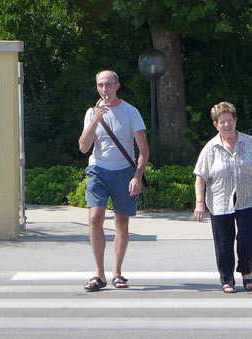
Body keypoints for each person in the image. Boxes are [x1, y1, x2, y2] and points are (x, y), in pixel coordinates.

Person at [77, 70, 148, 292]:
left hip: (123, 172)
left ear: (117, 85)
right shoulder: (92, 113)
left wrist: (137, 176)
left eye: (108, 84)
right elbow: (83, 146)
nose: (104, 89)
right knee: (95, 217)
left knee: (121, 221)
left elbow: (143, 150)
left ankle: (117, 272)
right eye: (100, 85)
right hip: (98, 169)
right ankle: (99, 274)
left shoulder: (130, 112)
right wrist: (96, 120)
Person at [192, 102, 252, 294]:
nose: (226, 124)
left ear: (235, 121)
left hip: (248, 198)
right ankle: (227, 278)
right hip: (220, 201)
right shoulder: (211, 148)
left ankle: (246, 271)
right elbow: (200, 177)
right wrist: (199, 203)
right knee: (223, 242)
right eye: (222, 121)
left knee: (246, 237)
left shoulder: (249, 142)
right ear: (215, 124)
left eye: (229, 120)